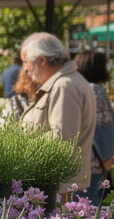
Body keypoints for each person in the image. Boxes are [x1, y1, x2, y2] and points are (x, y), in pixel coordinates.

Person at [20, 32, 96, 195]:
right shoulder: (65, 82)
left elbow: (61, 138)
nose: (25, 69)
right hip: (60, 185)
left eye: (26, 62)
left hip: (60, 188)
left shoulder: (64, 86)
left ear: (42, 60)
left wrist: (18, 146)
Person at [74, 50, 114, 205]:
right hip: (93, 164)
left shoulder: (78, 89)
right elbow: (103, 127)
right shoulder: (95, 91)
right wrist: (106, 158)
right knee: (90, 213)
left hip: (78, 163)